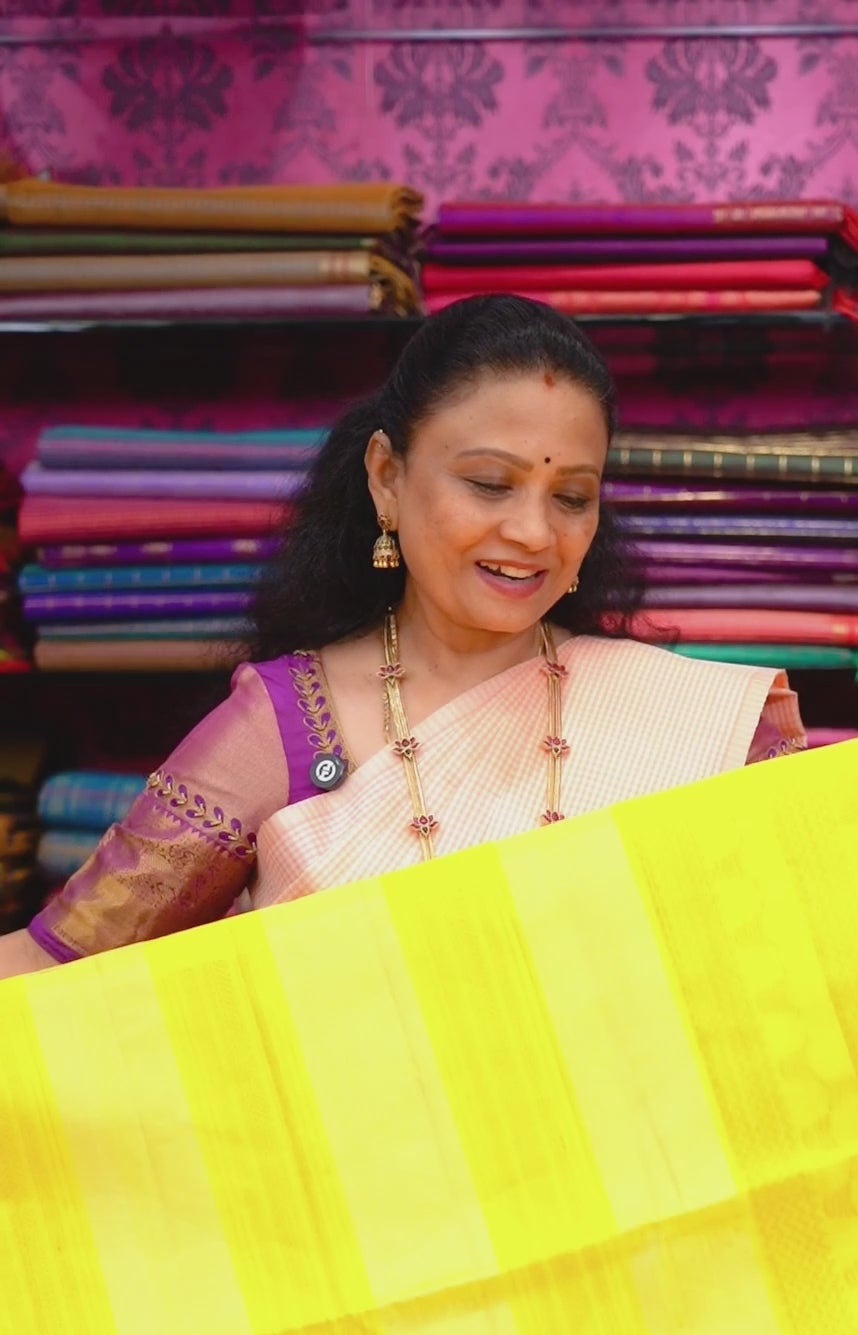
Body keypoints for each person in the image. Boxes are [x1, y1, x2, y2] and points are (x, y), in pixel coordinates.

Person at [0, 294, 804, 982]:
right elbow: (57, 975)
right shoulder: (283, 726)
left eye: (572, 497)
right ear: (387, 476)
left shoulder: (692, 721)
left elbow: (807, 950)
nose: (532, 531)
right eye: (489, 484)